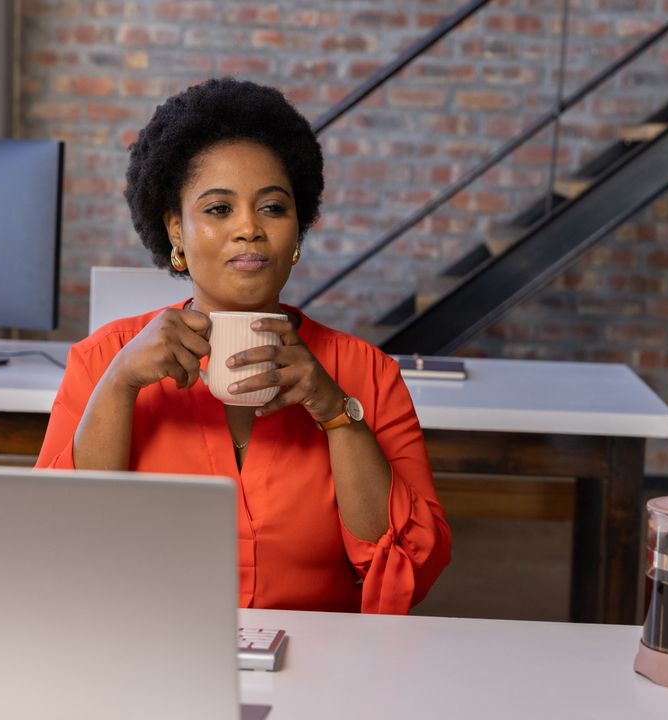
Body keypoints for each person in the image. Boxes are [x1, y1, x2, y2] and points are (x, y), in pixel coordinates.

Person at [36, 78, 451, 614]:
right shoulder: (104, 361)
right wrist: (119, 387)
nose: (250, 229)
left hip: (323, 664)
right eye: (218, 210)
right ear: (175, 231)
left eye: (273, 208)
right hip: (151, 656)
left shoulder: (365, 373)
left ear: (297, 231)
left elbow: (406, 571)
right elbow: (60, 547)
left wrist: (335, 413)